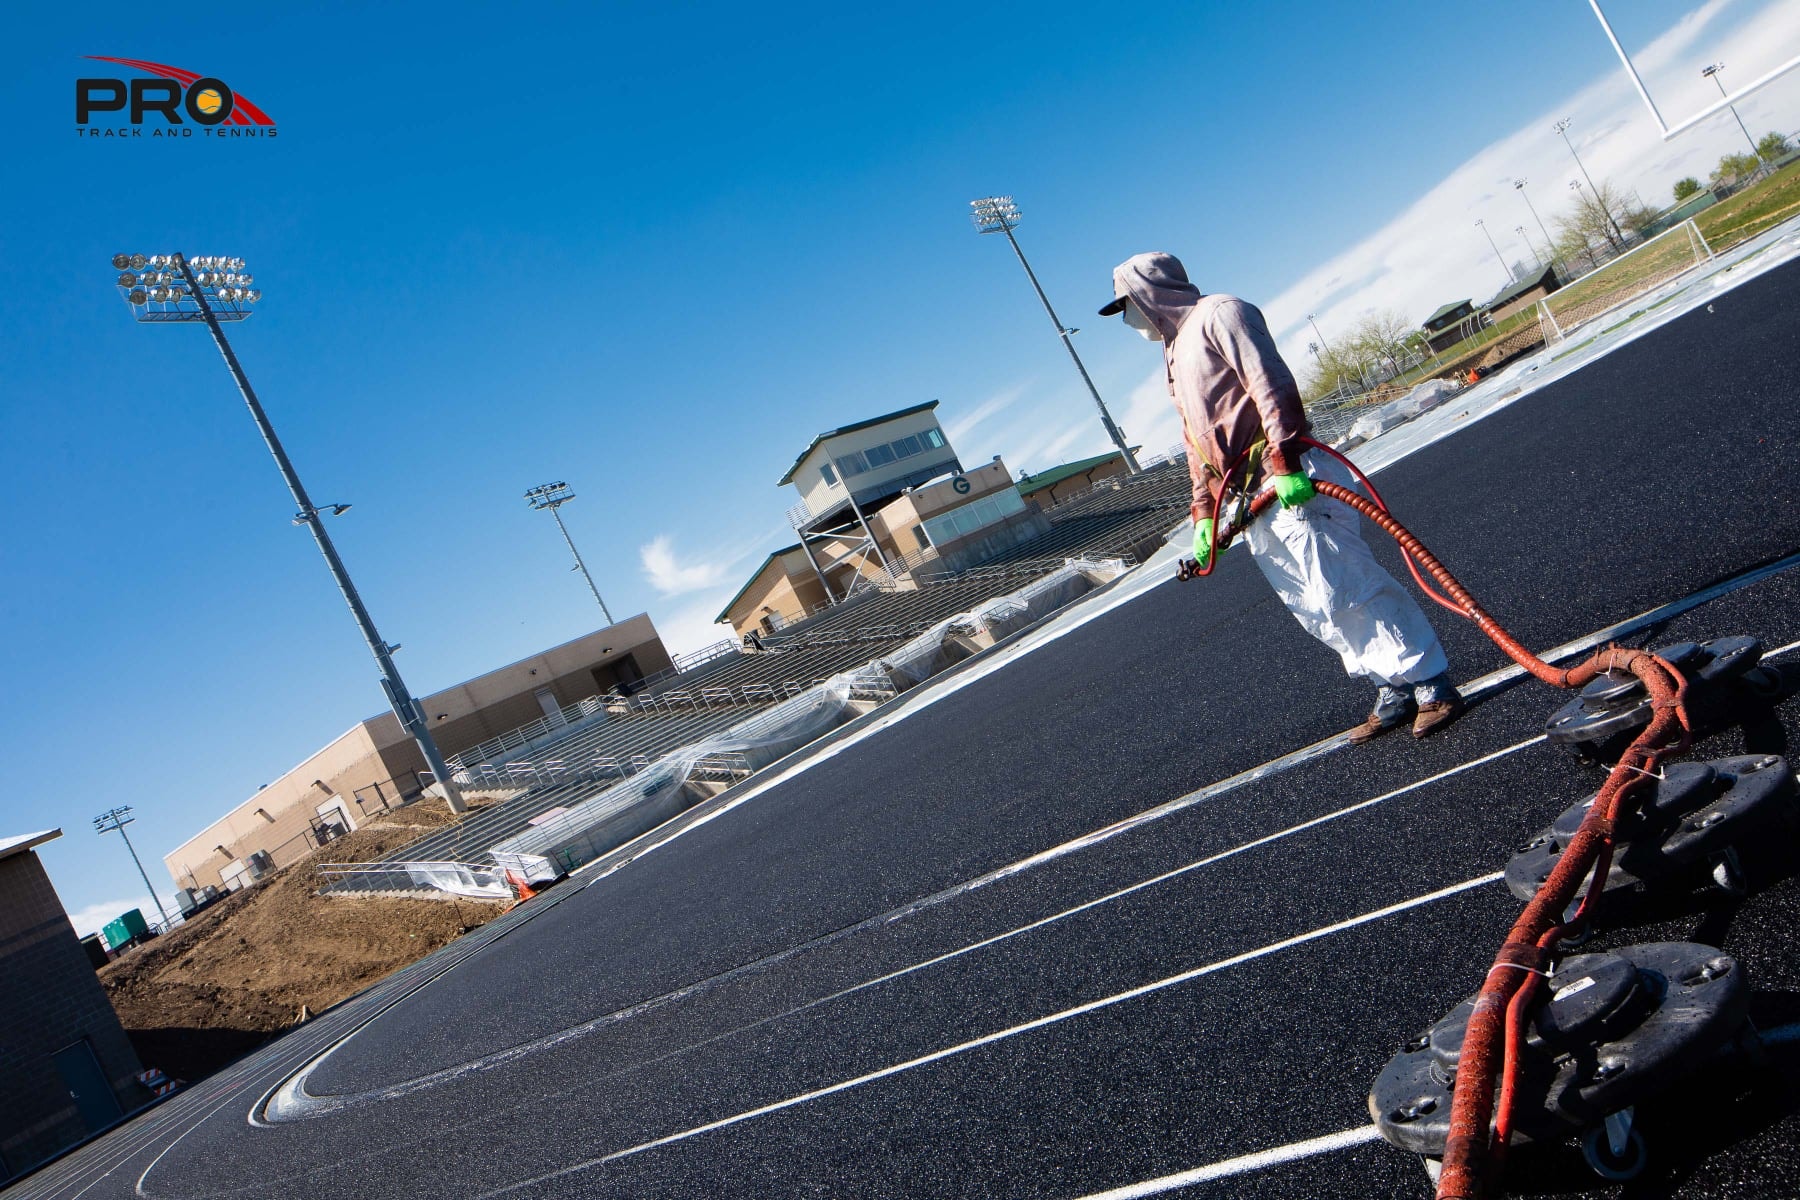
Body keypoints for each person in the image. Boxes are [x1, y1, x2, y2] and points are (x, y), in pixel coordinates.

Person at [1100, 251, 1463, 742]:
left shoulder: (1220, 313)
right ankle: (1389, 684)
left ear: (1149, 293)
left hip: (1288, 478)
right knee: (1313, 602)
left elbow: (1269, 384)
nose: (1127, 320)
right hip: (1249, 499)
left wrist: (1285, 459)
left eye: (1126, 306)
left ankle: (1430, 683)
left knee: (1348, 584)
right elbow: (1194, 441)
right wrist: (1203, 512)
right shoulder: (1173, 353)